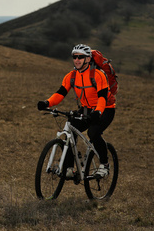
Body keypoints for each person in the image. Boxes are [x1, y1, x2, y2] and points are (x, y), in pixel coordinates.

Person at [37, 44, 116, 178]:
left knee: (93, 132)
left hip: (105, 109)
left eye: (81, 57)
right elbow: (60, 93)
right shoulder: (71, 76)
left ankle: (104, 165)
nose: (77, 60)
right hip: (86, 109)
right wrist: (47, 102)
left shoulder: (98, 75)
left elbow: (102, 97)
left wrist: (98, 112)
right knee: (70, 128)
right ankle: (68, 168)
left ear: (88, 59)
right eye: (75, 57)